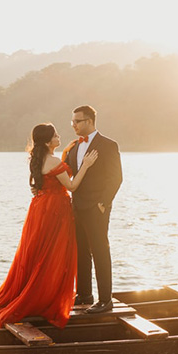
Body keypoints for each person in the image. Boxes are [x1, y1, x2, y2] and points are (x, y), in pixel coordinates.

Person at [0, 123, 98, 328]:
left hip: (40, 208)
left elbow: (43, 182)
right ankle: (44, 295)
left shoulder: (37, 159)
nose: (60, 137)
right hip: (55, 211)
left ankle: (34, 289)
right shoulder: (53, 161)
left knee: (37, 252)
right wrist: (86, 164)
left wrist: (66, 151)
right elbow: (72, 186)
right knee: (52, 253)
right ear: (49, 141)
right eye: (56, 135)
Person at [63, 105, 122, 314]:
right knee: (81, 252)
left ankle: (105, 300)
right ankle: (85, 294)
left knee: (100, 251)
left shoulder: (108, 145)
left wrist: (103, 203)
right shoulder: (74, 147)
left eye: (77, 121)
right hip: (77, 206)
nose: (73, 125)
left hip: (97, 208)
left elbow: (115, 177)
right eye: (72, 122)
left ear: (89, 121)